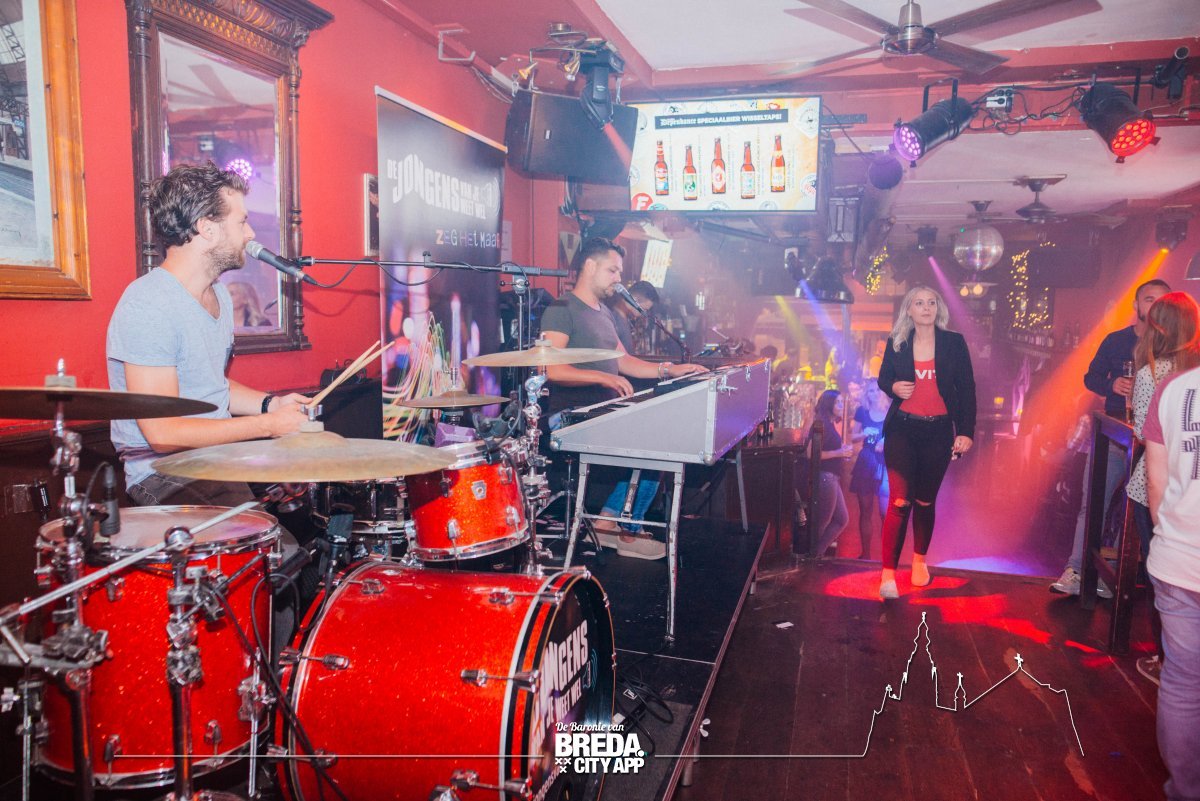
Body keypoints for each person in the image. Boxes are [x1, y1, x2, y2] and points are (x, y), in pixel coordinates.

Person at [107, 162, 310, 506]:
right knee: (263, 539)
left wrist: (271, 404)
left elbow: (208, 384)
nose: (250, 234)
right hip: (164, 474)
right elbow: (164, 433)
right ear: (207, 228)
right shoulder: (149, 304)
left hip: (214, 458)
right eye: (241, 222)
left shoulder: (219, 296)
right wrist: (268, 425)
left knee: (307, 507)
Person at [541, 237, 707, 559]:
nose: (619, 279)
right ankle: (626, 531)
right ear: (590, 266)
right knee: (655, 440)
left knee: (665, 435)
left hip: (601, 410)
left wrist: (669, 369)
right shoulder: (562, 309)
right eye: (613, 270)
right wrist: (604, 377)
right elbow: (551, 369)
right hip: (569, 415)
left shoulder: (603, 312)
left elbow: (624, 360)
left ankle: (609, 523)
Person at [1052, 278, 1170, 596]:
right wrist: (1111, 384)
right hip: (1115, 435)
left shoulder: (1174, 347)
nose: (1155, 306)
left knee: (1134, 511)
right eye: (1149, 299)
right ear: (1136, 305)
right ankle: (1076, 571)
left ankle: (1113, 577)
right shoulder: (1117, 340)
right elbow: (1090, 377)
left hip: (1157, 443)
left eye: (1162, 300)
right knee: (1094, 503)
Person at [877, 286, 976, 599]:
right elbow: (883, 378)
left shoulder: (953, 343)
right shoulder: (898, 341)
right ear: (909, 309)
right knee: (899, 501)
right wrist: (894, 386)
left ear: (938, 308)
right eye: (919, 303)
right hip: (902, 430)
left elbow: (967, 389)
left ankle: (919, 561)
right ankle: (888, 575)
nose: (926, 307)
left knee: (924, 501)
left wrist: (966, 431)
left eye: (931, 302)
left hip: (938, 431)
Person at [1125, 292, 1200, 684]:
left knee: (1166, 585)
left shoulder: (1152, 373)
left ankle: (1165, 660)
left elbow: (1143, 432)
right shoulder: (1195, 372)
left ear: (1157, 328)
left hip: (1155, 489)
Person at [1142, 362, 1200, 801]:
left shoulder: (1174, 387)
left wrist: (1174, 537)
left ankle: (1185, 790)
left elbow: (1156, 483)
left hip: (1178, 558)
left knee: (1182, 682)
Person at [808, 389, 853, 558]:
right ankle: (811, 558)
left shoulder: (828, 424)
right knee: (821, 522)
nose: (842, 406)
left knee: (841, 519)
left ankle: (816, 555)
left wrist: (841, 451)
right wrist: (839, 453)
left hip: (831, 477)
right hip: (825, 477)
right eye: (838, 403)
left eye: (842, 402)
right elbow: (811, 453)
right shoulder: (821, 424)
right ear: (829, 405)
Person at [850, 378, 890, 560]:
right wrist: (863, 434)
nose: (874, 394)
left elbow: (900, 435)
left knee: (885, 514)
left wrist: (886, 440)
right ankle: (865, 554)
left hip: (885, 463)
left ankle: (886, 556)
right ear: (867, 394)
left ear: (883, 392)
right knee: (865, 510)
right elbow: (852, 437)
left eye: (878, 390)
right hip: (866, 462)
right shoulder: (862, 411)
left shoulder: (891, 411)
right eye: (871, 391)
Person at [608, 279, 659, 354]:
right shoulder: (613, 321)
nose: (644, 313)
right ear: (635, 299)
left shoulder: (624, 319)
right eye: (644, 309)